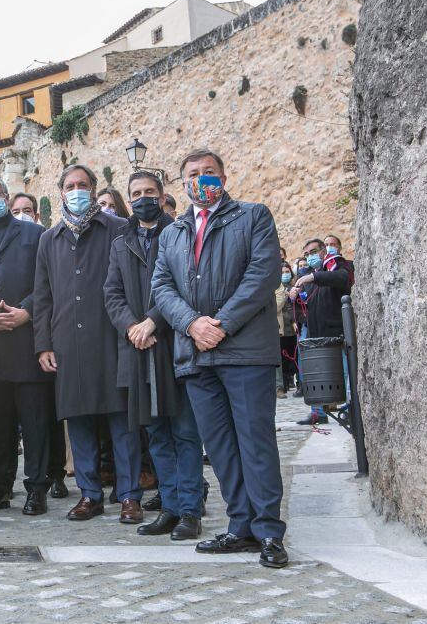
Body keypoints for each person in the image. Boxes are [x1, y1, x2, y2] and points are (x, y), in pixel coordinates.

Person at [152, 148, 288, 568]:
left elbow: (262, 276)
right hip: (196, 356)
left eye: (209, 172)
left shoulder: (253, 217)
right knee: (222, 448)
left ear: (224, 176)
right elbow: (161, 287)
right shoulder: (172, 233)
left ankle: (268, 531)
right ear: (182, 182)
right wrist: (193, 325)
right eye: (193, 173)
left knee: (255, 441)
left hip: (245, 352)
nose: (202, 178)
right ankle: (240, 525)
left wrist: (221, 324)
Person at [34, 164, 143, 523]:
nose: (77, 190)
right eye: (70, 185)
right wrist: (43, 344)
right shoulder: (48, 240)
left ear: (94, 189)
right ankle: (89, 494)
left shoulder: (118, 228)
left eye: (83, 184)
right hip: (67, 341)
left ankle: (128, 495)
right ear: (61, 192)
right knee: (78, 420)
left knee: (121, 421)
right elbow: (43, 296)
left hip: (112, 338)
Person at [104, 171, 205, 541]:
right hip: (137, 349)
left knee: (185, 433)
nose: (143, 198)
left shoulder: (180, 233)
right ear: (128, 200)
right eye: (136, 193)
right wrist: (132, 325)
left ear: (162, 196)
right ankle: (171, 507)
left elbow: (187, 286)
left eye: (149, 192)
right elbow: (111, 293)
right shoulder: (120, 241)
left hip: (174, 346)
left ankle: (191, 511)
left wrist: (153, 322)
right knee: (157, 435)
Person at [0, 176, 54, 516]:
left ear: (6, 197)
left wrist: (26, 312)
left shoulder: (35, 234)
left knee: (34, 422)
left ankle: (37, 488)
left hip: (27, 339)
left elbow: (47, 282)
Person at [11, 192, 74, 497]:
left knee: (48, 413)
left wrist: (27, 309)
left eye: (27, 209)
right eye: (16, 209)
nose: (21, 214)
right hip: (10, 334)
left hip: (42, 331)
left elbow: (49, 285)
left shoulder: (45, 238)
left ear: (36, 214)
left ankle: (56, 474)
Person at [290, 237, 353, 425]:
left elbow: (343, 279)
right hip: (315, 332)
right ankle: (318, 412)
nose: (310, 257)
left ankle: (350, 410)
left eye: (313, 252)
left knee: (345, 371)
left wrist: (314, 277)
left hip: (337, 330)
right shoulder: (307, 277)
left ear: (324, 251)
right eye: (307, 254)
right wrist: (294, 296)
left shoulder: (337, 265)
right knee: (315, 373)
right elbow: (305, 303)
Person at [276, 261, 298, 398]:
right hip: (280, 327)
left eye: (287, 272)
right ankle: (280, 386)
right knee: (280, 359)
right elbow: (276, 305)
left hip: (293, 326)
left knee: (295, 357)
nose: (285, 275)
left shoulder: (296, 285)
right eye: (282, 272)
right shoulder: (276, 287)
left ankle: (298, 384)